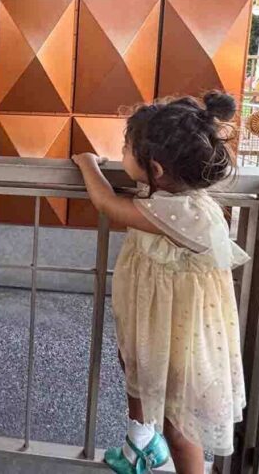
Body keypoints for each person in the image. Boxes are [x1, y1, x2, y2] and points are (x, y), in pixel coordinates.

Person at [72, 92, 248, 474]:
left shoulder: (177, 211)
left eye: (126, 148)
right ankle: (140, 443)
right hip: (158, 320)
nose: (121, 153)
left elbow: (106, 203)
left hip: (177, 332)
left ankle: (175, 461)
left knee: (179, 421)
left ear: (154, 166)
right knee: (138, 369)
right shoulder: (169, 194)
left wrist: (87, 163)